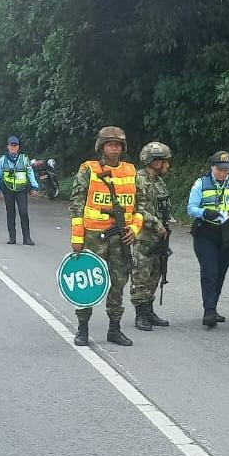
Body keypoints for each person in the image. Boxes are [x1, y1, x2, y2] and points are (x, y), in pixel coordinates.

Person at [68, 126, 143, 347]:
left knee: (119, 281)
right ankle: (82, 328)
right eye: (110, 144)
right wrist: (77, 238)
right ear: (101, 146)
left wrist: (134, 229)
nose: (114, 147)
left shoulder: (131, 171)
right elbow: (77, 205)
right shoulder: (88, 169)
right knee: (87, 282)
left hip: (121, 237)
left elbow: (142, 205)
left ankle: (114, 328)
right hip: (93, 236)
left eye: (118, 144)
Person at [186, 150, 229, 328]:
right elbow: (191, 208)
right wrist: (204, 212)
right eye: (220, 169)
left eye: (226, 170)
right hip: (206, 234)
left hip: (228, 233)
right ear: (212, 167)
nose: (223, 173)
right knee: (210, 272)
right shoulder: (201, 183)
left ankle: (213, 306)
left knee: (220, 272)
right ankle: (209, 311)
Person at [131, 141, 175, 331]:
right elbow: (136, 208)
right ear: (154, 162)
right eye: (164, 161)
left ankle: (149, 310)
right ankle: (140, 314)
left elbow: (162, 206)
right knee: (141, 275)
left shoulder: (158, 181)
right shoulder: (139, 180)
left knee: (155, 274)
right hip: (143, 237)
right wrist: (155, 223)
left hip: (160, 237)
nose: (167, 165)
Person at [0, 136, 40, 245]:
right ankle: (12, 237)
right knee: (10, 213)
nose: (13, 148)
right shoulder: (3, 160)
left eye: (15, 145)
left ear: (18, 147)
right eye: (11, 145)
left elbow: (30, 173)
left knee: (23, 212)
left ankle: (27, 238)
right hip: (8, 189)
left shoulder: (24, 159)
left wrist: (34, 187)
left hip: (21, 189)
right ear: (8, 147)